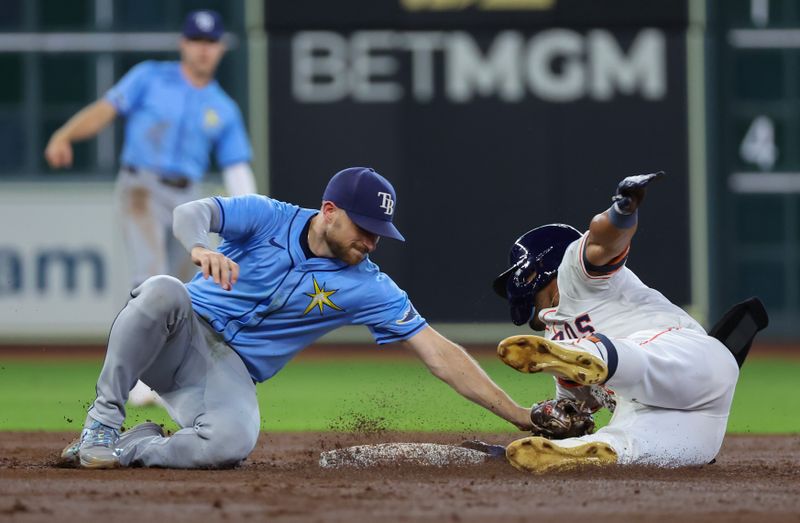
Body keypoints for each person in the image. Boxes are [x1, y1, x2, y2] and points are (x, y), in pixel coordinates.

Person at [61, 167, 533, 469]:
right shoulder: (270, 216)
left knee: (231, 444)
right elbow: (190, 212)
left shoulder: (369, 284)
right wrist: (200, 248)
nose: (372, 243)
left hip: (223, 370)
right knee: (163, 289)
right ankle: (101, 424)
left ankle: (129, 449)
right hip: (176, 331)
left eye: (380, 234)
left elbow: (439, 354)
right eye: (366, 229)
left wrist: (520, 417)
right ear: (329, 212)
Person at [44, 9, 255, 406]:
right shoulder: (150, 76)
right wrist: (66, 133)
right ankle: (133, 379)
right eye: (197, 41)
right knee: (149, 277)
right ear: (183, 44)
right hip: (140, 185)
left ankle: (164, 376)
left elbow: (237, 168)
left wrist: (247, 219)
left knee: (183, 292)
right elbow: (106, 110)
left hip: (188, 196)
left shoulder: (222, 107)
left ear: (221, 48)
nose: (204, 50)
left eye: (211, 43)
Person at [491, 171, 740, 473]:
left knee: (632, 361)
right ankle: (576, 453)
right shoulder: (556, 338)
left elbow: (603, 240)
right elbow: (576, 411)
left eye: (525, 274)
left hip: (689, 359)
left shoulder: (575, 271)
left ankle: (600, 355)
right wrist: (557, 419)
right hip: (684, 412)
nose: (520, 286)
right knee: (633, 447)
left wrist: (621, 212)